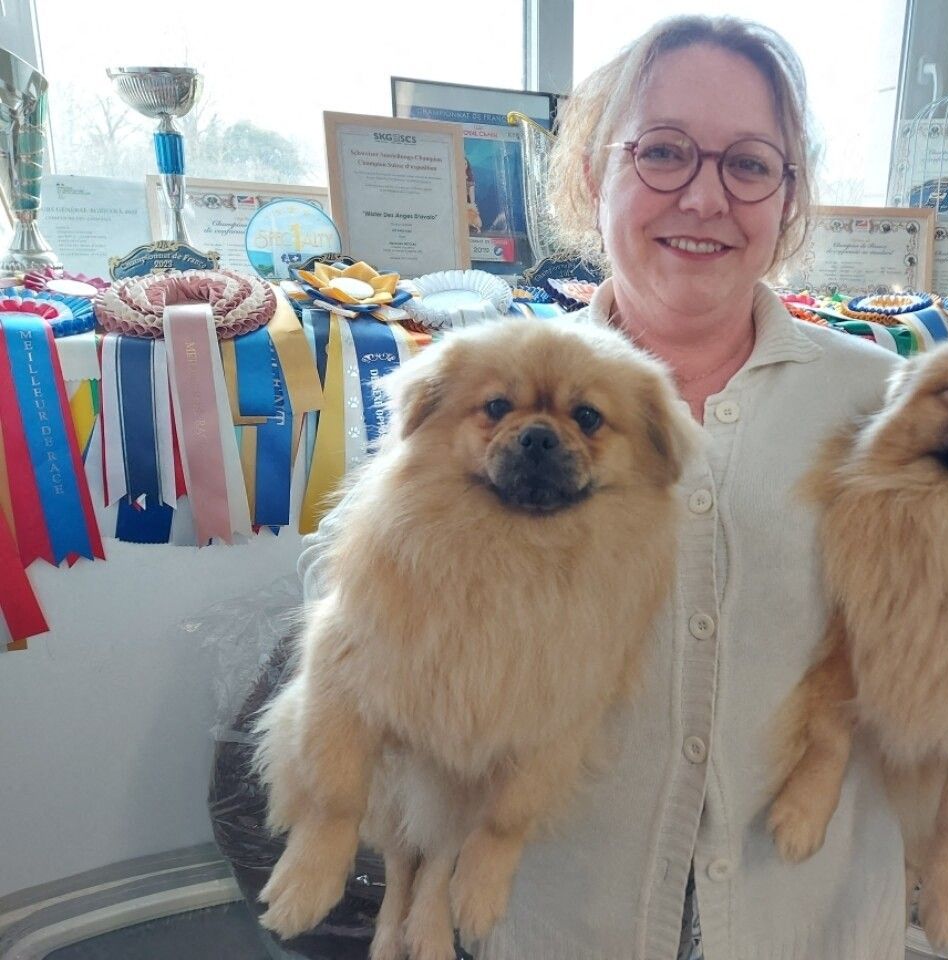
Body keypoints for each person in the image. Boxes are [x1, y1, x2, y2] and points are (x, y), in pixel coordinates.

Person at [285, 15, 905, 960]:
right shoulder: (472, 391)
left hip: (802, 913)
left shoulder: (882, 404)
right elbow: (373, 665)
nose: (703, 197)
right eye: (662, 151)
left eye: (748, 164)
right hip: (546, 914)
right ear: (589, 174)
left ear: (789, 198)